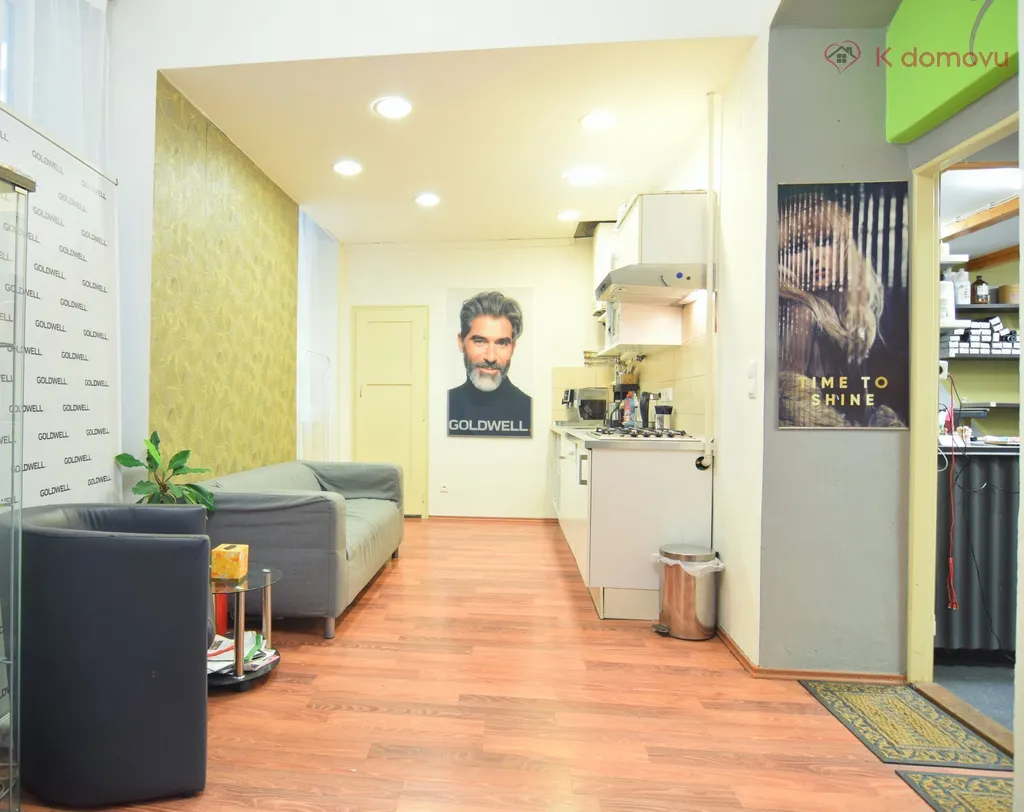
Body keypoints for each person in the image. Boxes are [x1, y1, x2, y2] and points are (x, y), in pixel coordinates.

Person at [447, 291, 532, 437]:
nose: (491, 357)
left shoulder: (530, 410)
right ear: (461, 342)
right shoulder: (444, 406)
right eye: (480, 341)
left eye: (502, 343)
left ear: (512, 348)